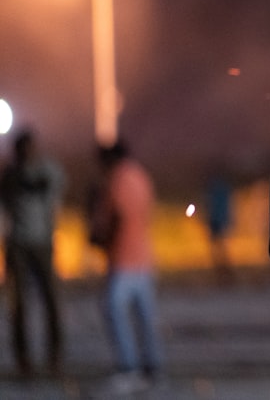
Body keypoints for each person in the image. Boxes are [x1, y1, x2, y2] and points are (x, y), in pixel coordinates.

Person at [91, 141, 165, 394]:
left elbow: (117, 216)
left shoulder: (118, 179)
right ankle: (152, 367)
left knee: (114, 310)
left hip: (124, 258)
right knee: (144, 316)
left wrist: (101, 237)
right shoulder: (141, 176)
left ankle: (128, 367)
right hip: (143, 256)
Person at [0, 129, 64, 376]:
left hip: (42, 243)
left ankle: (54, 357)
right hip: (17, 243)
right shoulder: (10, 176)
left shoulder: (47, 171)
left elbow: (56, 193)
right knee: (19, 305)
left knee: (50, 301)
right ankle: (23, 359)